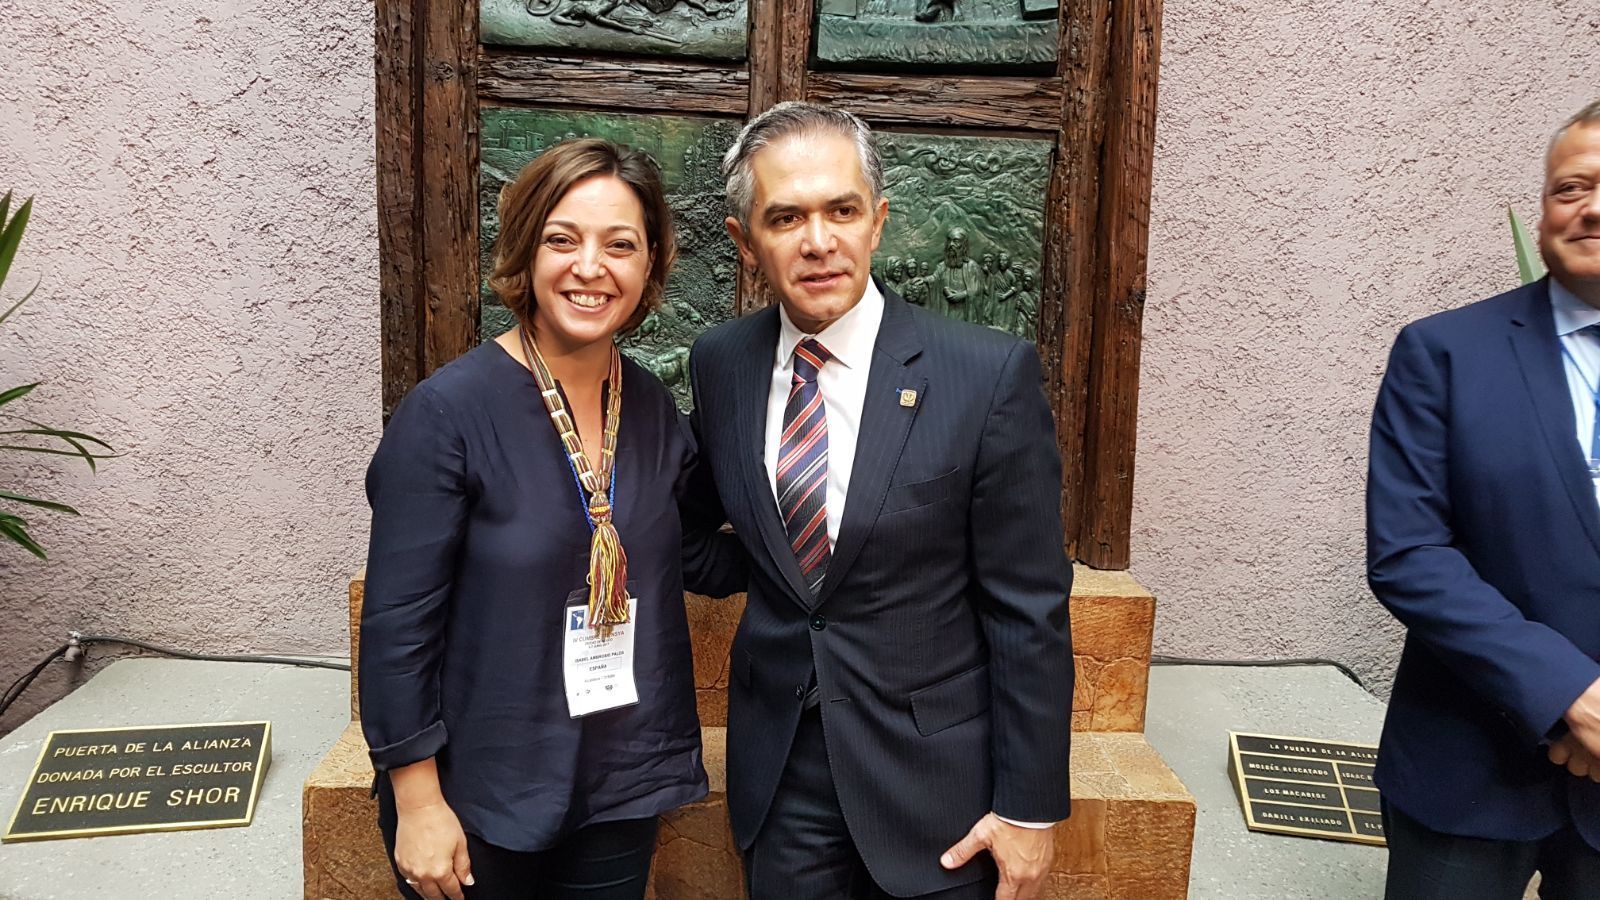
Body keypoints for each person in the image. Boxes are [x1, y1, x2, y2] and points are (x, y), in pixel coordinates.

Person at [682, 101, 1074, 900]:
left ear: (879, 221)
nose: (818, 241)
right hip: (784, 773)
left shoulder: (985, 374)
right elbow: (692, 529)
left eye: (842, 211)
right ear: (745, 242)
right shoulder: (720, 362)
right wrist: (773, 571)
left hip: (939, 791)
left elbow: (1027, 607)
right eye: (786, 217)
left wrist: (1030, 808)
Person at [360, 139, 737, 900]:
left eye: (620, 245)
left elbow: (684, 551)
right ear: (527, 250)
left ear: (650, 264)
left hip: (618, 785)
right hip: (481, 796)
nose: (590, 267)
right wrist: (418, 799)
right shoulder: (447, 416)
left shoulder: (655, 412)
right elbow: (398, 624)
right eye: (563, 239)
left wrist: (830, 569)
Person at [1367, 99, 1600, 900]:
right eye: (1572, 187)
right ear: (1542, 214)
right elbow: (1410, 555)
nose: (1593, 207)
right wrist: (1569, 695)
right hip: (1467, 772)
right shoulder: (1445, 354)